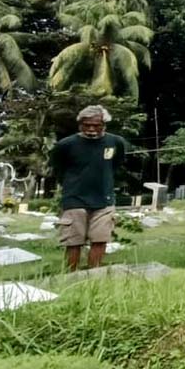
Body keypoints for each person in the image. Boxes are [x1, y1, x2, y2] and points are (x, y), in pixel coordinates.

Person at [50, 105, 127, 271]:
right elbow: (58, 169)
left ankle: (94, 276)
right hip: (75, 199)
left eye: (96, 125)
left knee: (100, 239)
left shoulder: (115, 142)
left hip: (104, 199)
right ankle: (70, 276)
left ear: (104, 124)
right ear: (80, 124)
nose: (91, 128)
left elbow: (116, 165)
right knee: (73, 241)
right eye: (87, 125)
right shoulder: (65, 145)